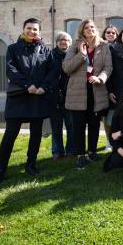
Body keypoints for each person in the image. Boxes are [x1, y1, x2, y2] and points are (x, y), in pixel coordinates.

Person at [0, 18, 59, 183]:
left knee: (35, 135)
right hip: (19, 97)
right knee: (10, 135)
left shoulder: (45, 50)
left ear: (39, 32)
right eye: (29, 28)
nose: (32, 32)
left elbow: (53, 70)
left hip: (37, 97)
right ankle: (1, 168)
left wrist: (44, 86)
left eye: (35, 29)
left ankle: (31, 164)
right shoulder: (13, 49)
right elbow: (10, 69)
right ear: (23, 29)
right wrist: (27, 84)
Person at [63, 19, 113, 168]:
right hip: (78, 91)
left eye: (92, 27)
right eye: (86, 28)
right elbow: (66, 67)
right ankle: (80, 155)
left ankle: (92, 152)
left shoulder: (104, 46)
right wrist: (82, 55)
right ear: (82, 31)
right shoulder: (75, 45)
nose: (90, 29)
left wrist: (100, 78)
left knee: (94, 124)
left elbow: (108, 67)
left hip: (96, 91)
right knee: (78, 126)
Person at [50, 30, 75, 160]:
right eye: (61, 40)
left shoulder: (72, 56)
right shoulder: (50, 56)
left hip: (69, 96)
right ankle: (57, 151)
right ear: (57, 42)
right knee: (56, 126)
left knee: (71, 125)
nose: (63, 42)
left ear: (70, 43)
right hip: (54, 96)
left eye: (66, 40)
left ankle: (70, 149)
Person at [101, 24, 119, 150]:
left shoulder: (119, 48)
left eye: (113, 33)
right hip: (103, 86)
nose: (111, 34)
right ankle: (109, 140)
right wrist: (108, 90)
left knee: (116, 116)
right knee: (106, 117)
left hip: (116, 85)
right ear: (104, 34)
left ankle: (117, 140)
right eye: (108, 32)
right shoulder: (100, 48)